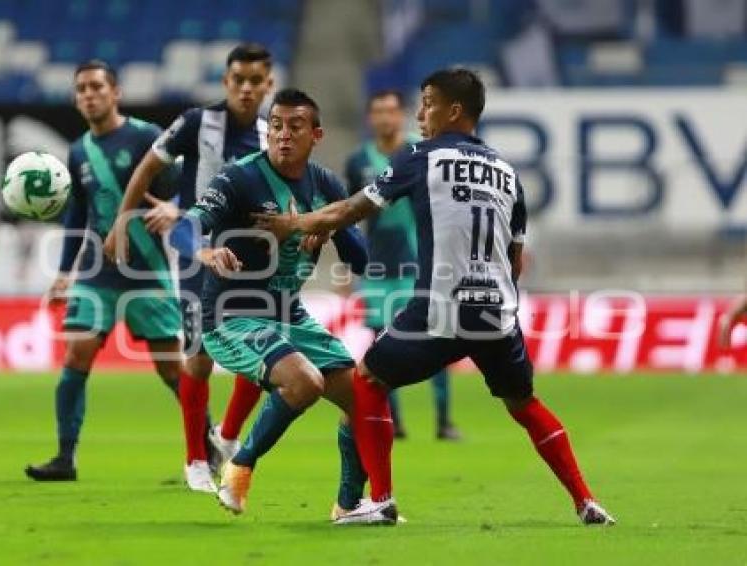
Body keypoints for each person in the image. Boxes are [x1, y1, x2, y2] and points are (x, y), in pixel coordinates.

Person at [253, 68, 616, 526]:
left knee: (366, 381)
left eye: (427, 102)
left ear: (454, 110)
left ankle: (380, 500)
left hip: (441, 305)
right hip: (497, 312)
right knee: (524, 405)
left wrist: (296, 225)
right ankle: (585, 500)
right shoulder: (507, 173)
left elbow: (350, 210)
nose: (420, 113)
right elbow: (515, 259)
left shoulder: (422, 156)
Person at [169, 88, 370, 516]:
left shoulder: (326, 185)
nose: (282, 135)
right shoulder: (239, 177)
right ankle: (239, 467)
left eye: (294, 127)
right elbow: (183, 228)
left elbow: (362, 260)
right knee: (305, 382)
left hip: (287, 314)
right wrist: (205, 252)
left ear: (316, 134)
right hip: (231, 316)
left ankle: (349, 505)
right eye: (275, 126)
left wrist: (331, 228)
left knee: (363, 399)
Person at [104, 44, 274, 492]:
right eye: (238, 79)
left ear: (268, 85)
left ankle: (227, 435)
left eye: (255, 80)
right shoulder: (197, 123)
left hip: (249, 258)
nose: (246, 88)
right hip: (196, 252)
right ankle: (196, 460)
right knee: (198, 358)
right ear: (226, 81)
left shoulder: (269, 134)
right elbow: (145, 170)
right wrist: (123, 222)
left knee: (263, 353)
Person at [25, 60, 183, 481]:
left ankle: (206, 447)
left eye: (97, 86)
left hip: (148, 272)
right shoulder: (78, 152)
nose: (89, 94)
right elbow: (76, 215)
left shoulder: (146, 136)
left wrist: (175, 207)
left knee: (171, 369)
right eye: (81, 89)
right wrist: (63, 272)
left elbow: (188, 183)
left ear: (115, 92)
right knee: (76, 353)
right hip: (97, 272)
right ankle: (65, 457)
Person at [345, 89, 460, 441]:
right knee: (381, 345)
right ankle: (393, 424)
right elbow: (351, 215)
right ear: (370, 117)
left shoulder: (421, 152)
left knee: (435, 340)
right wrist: (352, 264)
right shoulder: (357, 162)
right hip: (377, 269)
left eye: (391, 110)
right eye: (378, 110)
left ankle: (443, 420)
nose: (384, 117)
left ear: (401, 115)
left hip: (418, 266)